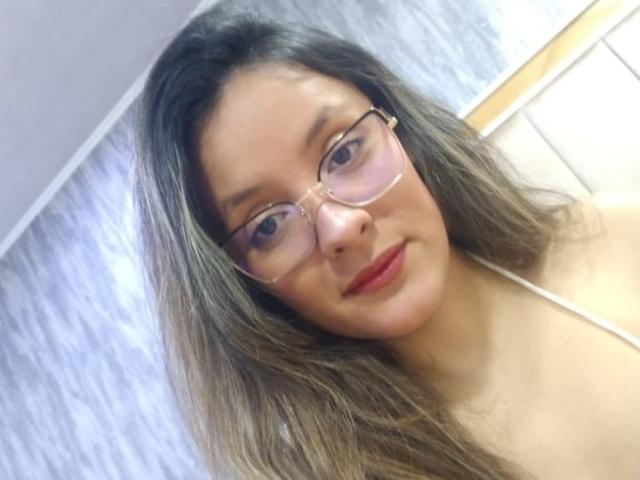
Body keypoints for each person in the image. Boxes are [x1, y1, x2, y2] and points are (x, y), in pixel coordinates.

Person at [133, 4, 640, 479]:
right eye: (267, 225)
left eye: (344, 152)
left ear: (401, 132)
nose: (340, 228)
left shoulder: (617, 241)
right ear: (244, 288)